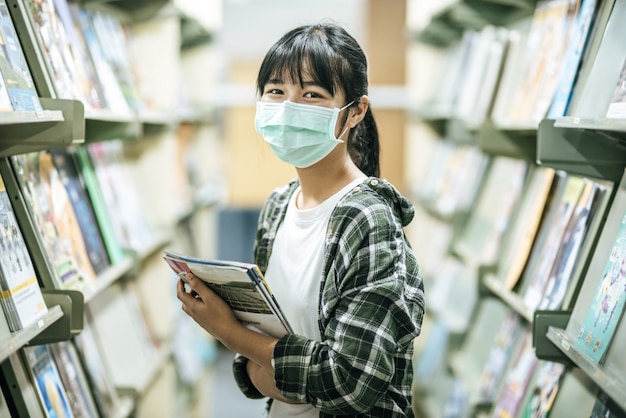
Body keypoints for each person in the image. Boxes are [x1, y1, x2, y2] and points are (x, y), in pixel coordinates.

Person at [176, 21, 425, 417]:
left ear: (356, 111)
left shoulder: (368, 220)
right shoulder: (278, 205)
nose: (289, 108)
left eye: (312, 94)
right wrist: (271, 364)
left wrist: (230, 334)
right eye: (276, 91)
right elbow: (259, 357)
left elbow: (348, 384)